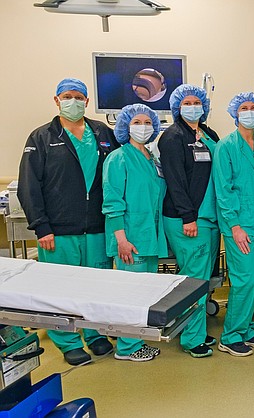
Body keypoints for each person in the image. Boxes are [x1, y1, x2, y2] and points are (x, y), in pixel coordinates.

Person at [17, 78, 118, 366]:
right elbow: (29, 186)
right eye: (67, 96)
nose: (72, 101)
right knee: (61, 290)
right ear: (57, 100)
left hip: (97, 228)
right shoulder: (42, 137)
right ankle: (69, 342)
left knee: (96, 286)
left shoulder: (102, 132)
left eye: (78, 96)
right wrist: (41, 226)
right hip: (58, 231)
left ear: (87, 102)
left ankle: (96, 334)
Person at [211, 92, 254, 357]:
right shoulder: (226, 146)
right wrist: (235, 226)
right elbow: (223, 190)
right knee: (244, 281)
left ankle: (247, 329)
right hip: (240, 226)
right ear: (235, 114)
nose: (249, 112)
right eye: (244, 108)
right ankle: (230, 335)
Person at [159, 84, 221, 358]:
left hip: (208, 217)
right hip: (187, 218)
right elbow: (175, 180)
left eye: (198, 102)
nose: (194, 106)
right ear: (177, 108)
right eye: (188, 102)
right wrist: (188, 216)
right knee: (193, 279)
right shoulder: (173, 137)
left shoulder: (208, 134)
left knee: (202, 277)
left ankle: (195, 330)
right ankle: (191, 339)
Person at [102, 103, 166, 362]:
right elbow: (112, 201)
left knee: (145, 294)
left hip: (149, 235)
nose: (143, 127)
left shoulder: (153, 160)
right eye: (137, 123)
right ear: (125, 127)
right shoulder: (118, 158)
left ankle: (137, 340)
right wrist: (121, 240)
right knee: (131, 294)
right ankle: (127, 348)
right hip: (129, 238)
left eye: (147, 122)